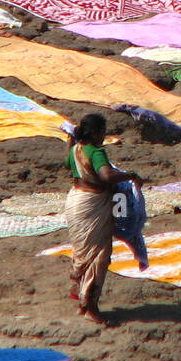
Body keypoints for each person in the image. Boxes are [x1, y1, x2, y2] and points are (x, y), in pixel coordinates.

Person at [64, 113, 141, 324]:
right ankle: (91, 307)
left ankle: (82, 303)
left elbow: (67, 166)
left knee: (83, 254)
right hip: (92, 204)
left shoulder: (75, 149)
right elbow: (106, 176)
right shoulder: (96, 151)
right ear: (97, 132)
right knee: (98, 255)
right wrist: (130, 175)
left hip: (75, 200)